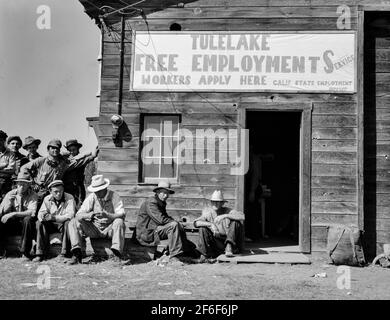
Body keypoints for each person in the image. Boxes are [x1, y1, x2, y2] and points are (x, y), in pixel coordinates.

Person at [67, 174, 127, 265]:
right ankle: (76, 254)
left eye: (99, 191)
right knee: (73, 222)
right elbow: (79, 214)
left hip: (109, 229)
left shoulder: (114, 196)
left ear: (105, 188)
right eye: (95, 191)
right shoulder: (92, 197)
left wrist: (109, 216)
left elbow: (122, 214)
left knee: (119, 221)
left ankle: (116, 255)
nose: (97, 193)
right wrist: (89, 215)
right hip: (94, 229)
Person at [20, 139, 96, 206]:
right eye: (52, 148)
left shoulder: (62, 164)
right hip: (39, 192)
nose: (55, 150)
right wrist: (32, 183)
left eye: (57, 148)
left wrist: (92, 156)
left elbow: (77, 163)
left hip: (53, 193)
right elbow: (24, 168)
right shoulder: (41, 160)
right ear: (48, 149)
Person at [135, 181, 197, 263]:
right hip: (146, 233)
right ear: (157, 192)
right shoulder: (151, 202)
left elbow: (165, 218)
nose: (166, 196)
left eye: (167, 193)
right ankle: (175, 256)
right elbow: (160, 219)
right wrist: (175, 222)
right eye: (163, 193)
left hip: (153, 230)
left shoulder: (161, 203)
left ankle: (186, 251)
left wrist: (177, 223)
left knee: (177, 225)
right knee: (174, 225)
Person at [194, 190, 245, 262]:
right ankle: (205, 255)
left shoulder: (228, 211)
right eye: (213, 201)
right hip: (217, 243)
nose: (215, 204)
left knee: (236, 222)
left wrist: (225, 216)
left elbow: (242, 217)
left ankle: (229, 246)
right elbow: (196, 223)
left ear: (222, 203)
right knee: (202, 228)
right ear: (211, 202)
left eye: (218, 202)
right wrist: (211, 225)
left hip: (231, 244)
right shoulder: (209, 213)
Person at [34, 180, 76, 262]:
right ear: (50, 191)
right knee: (39, 223)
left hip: (62, 224)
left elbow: (70, 215)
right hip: (51, 225)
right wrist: (44, 216)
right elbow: (40, 213)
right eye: (56, 192)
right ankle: (40, 253)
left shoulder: (69, 198)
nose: (59, 194)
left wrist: (54, 217)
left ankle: (65, 253)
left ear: (63, 189)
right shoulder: (47, 198)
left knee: (68, 223)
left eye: (60, 191)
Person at [0, 172, 38, 260]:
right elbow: (1, 212)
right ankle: (1, 251)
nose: (22, 187)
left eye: (25, 184)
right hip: (13, 224)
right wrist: (8, 204)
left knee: (28, 219)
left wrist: (14, 213)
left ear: (29, 185)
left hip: (26, 225)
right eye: (20, 184)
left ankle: (25, 252)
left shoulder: (33, 195)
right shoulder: (10, 194)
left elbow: (32, 212)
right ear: (16, 184)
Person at [62, 139, 98, 207]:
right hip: (67, 187)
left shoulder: (81, 158)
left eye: (74, 149)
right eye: (70, 150)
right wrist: (91, 156)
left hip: (78, 187)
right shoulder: (66, 161)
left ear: (78, 149)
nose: (72, 152)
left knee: (79, 205)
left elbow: (81, 160)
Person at [0, 130, 16, 202]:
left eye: (0, 140)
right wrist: (3, 166)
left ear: (4, 141)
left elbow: (11, 170)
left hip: (5, 183)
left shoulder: (11, 154)